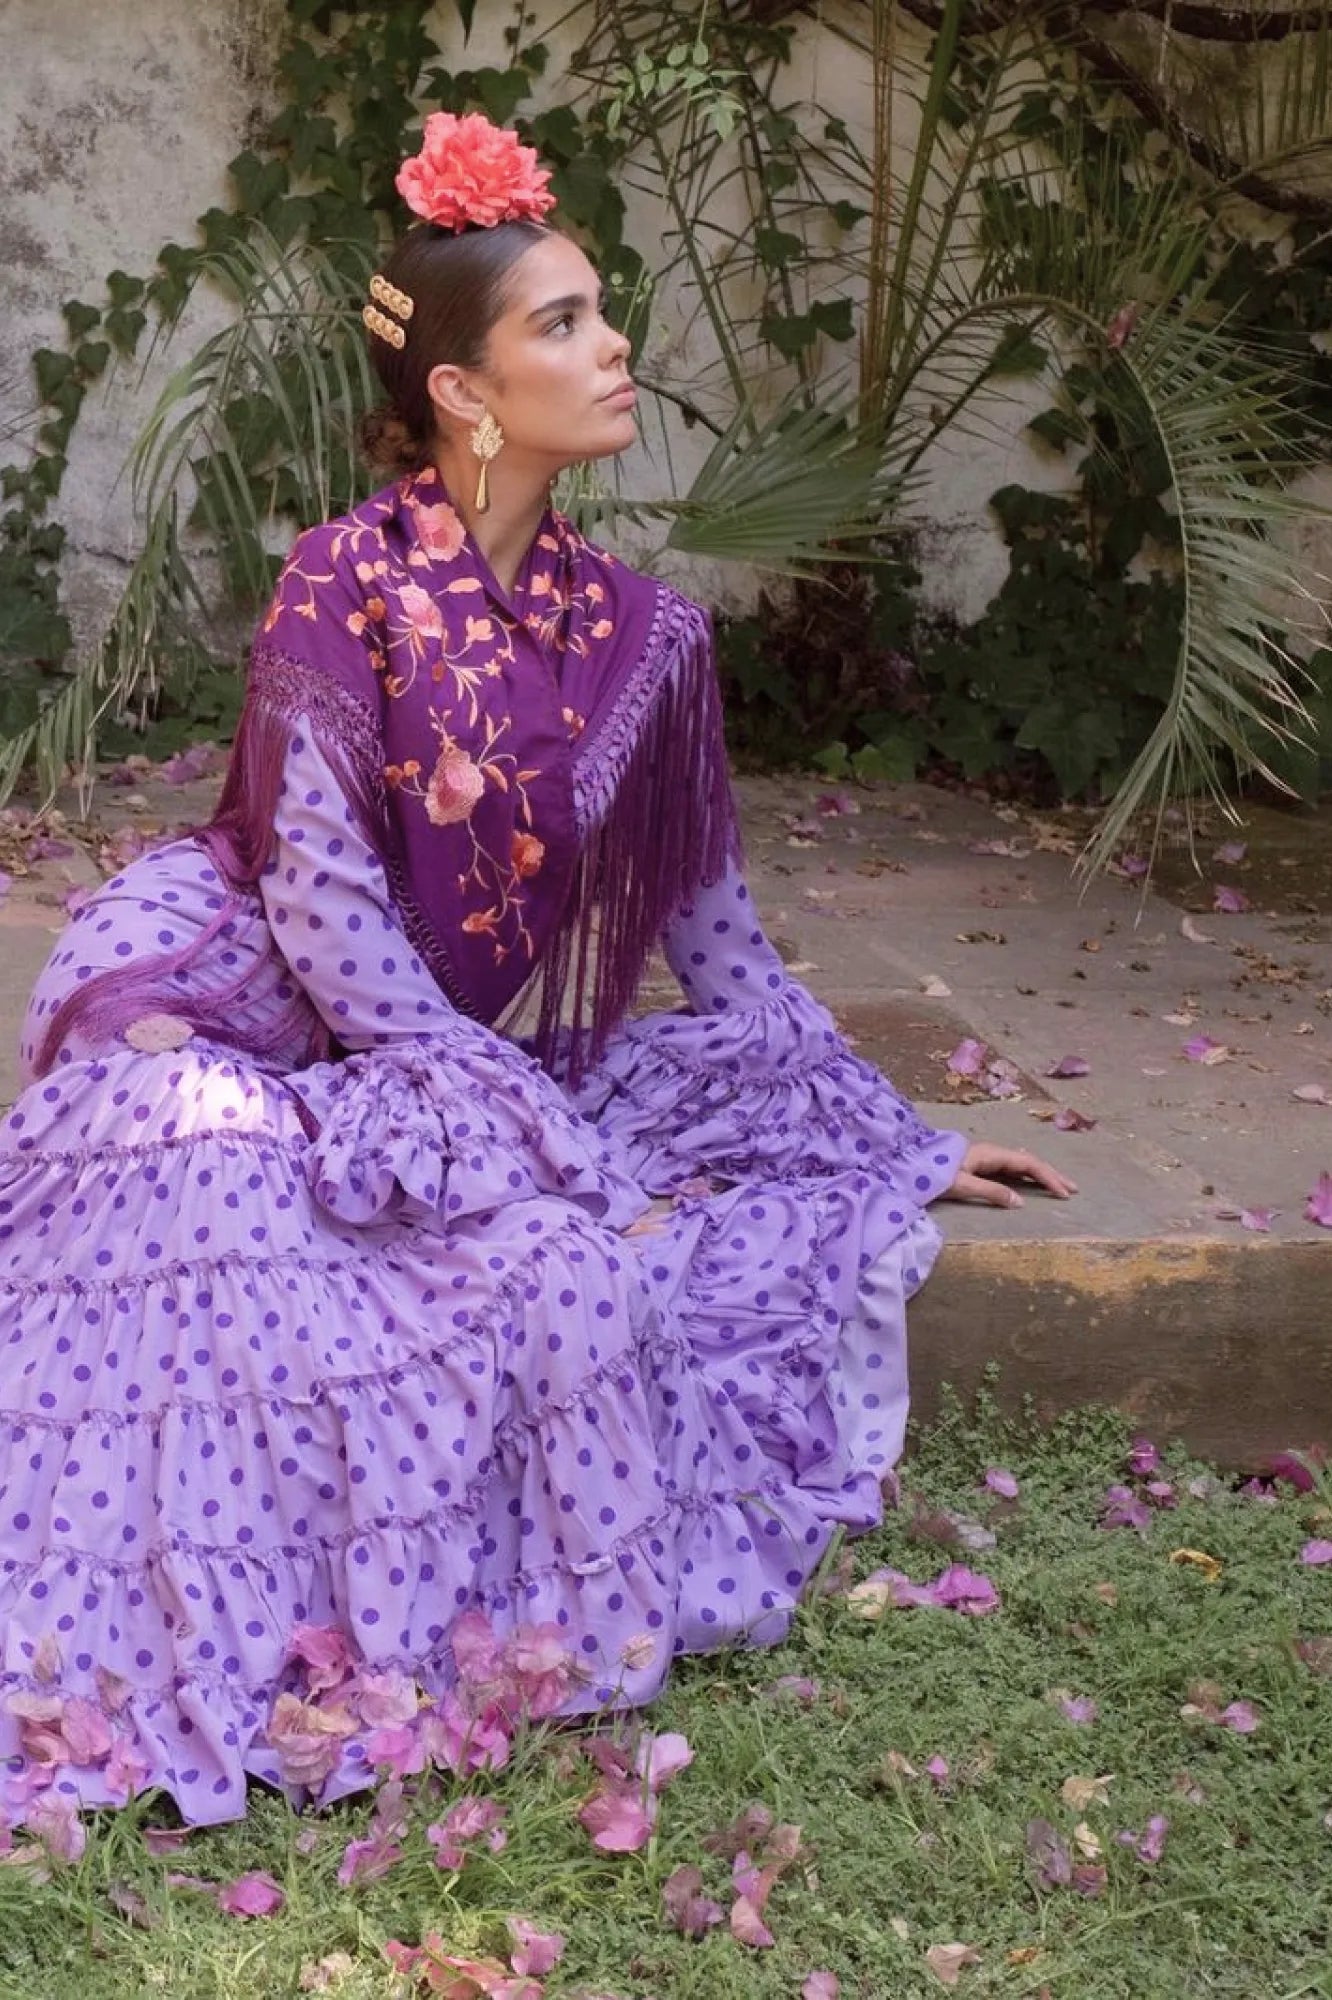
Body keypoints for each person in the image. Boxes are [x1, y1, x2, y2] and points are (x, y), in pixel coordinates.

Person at [0, 113, 1073, 1832]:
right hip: (227, 991)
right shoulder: (342, 585)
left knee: (551, 1264)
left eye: (602, 310)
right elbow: (325, 902)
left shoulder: (647, 641)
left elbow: (717, 943)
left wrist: (892, 1135)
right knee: (198, 1199)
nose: (613, 342)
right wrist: (471, 1093)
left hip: (403, 1059)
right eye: (561, 321)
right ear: (466, 393)